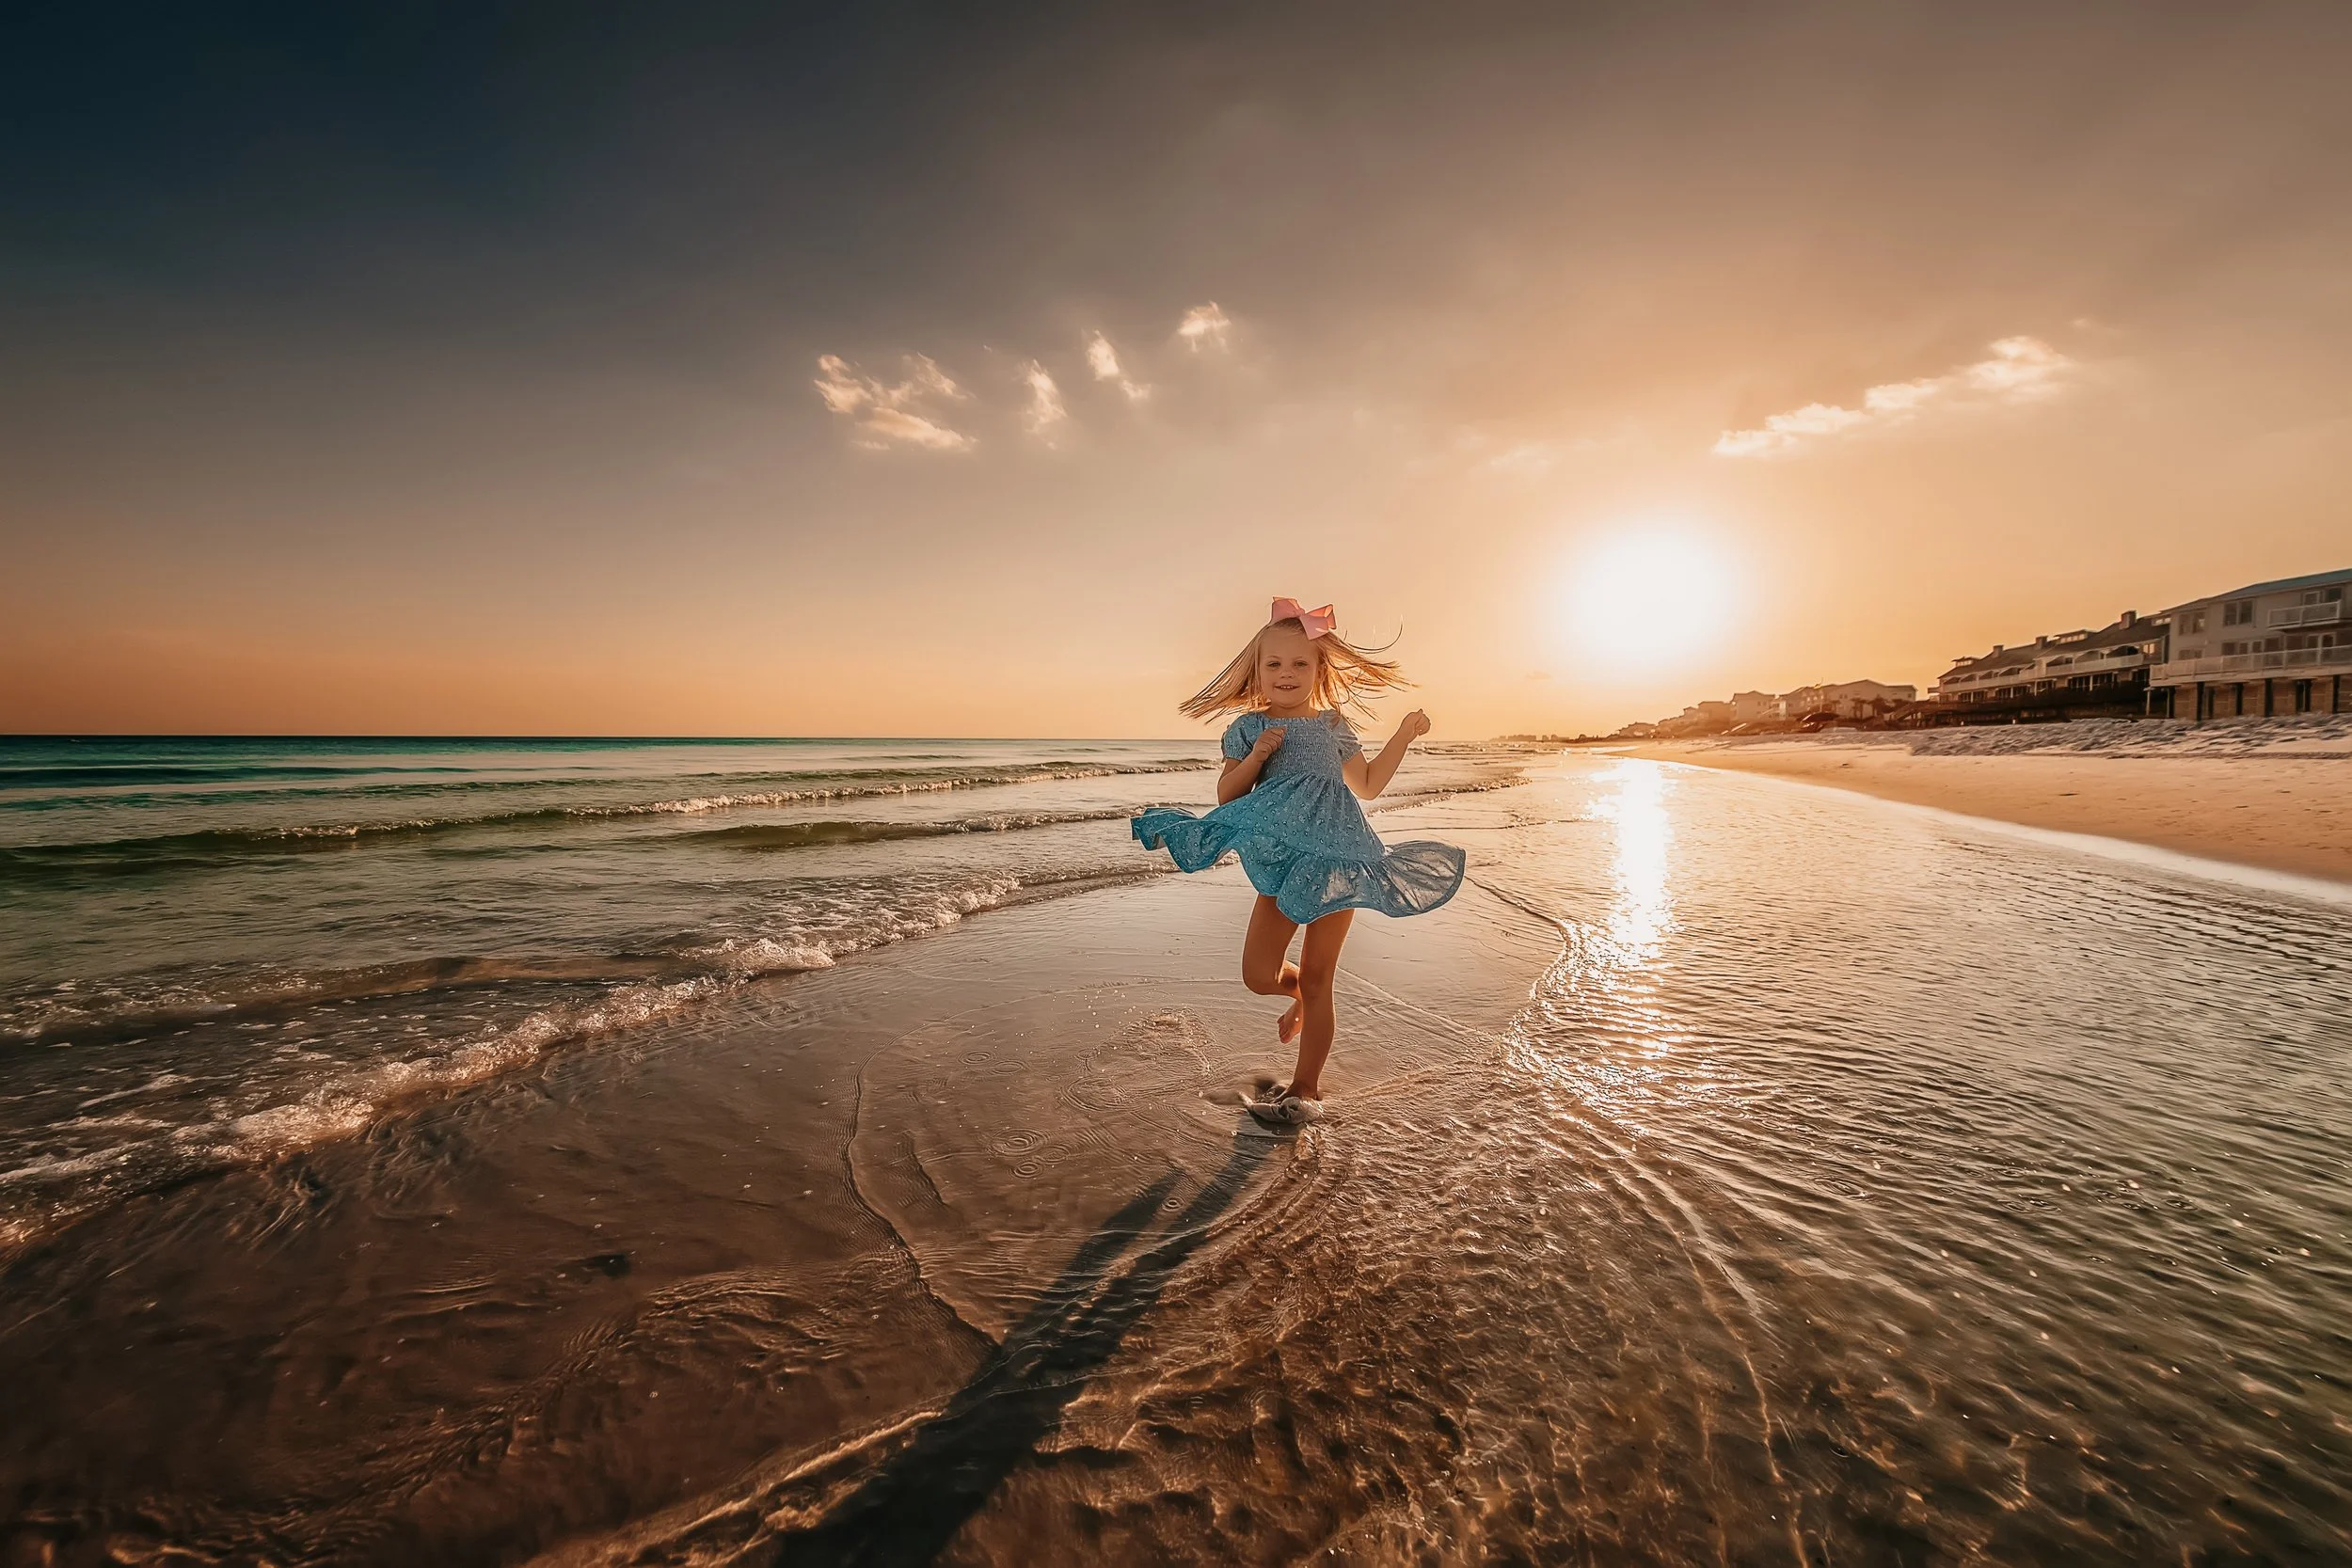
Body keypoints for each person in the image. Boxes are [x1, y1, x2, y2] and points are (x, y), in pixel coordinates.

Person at [1132, 597, 1465, 1126]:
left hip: (1339, 858)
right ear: (1257, 670)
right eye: (1274, 664)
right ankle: (1301, 1002)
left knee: (1319, 976)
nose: (1286, 674)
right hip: (1282, 861)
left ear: (1320, 669)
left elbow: (1368, 785)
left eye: (1300, 663)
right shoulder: (1248, 728)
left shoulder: (1333, 726)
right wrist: (1260, 755)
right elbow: (1227, 796)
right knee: (1259, 974)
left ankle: (1306, 1086)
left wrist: (1403, 734)